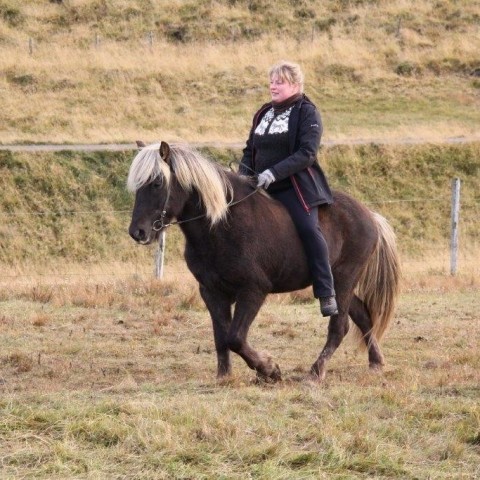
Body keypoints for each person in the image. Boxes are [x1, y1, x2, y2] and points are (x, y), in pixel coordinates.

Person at [239, 60, 338, 317]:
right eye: (272, 81)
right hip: (258, 184)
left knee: (308, 228)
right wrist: (243, 177)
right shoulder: (263, 112)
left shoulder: (307, 112)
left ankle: (326, 291)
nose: (273, 86)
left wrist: (273, 173)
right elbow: (250, 149)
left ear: (295, 84)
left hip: (295, 187)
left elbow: (307, 153)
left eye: (279, 82)